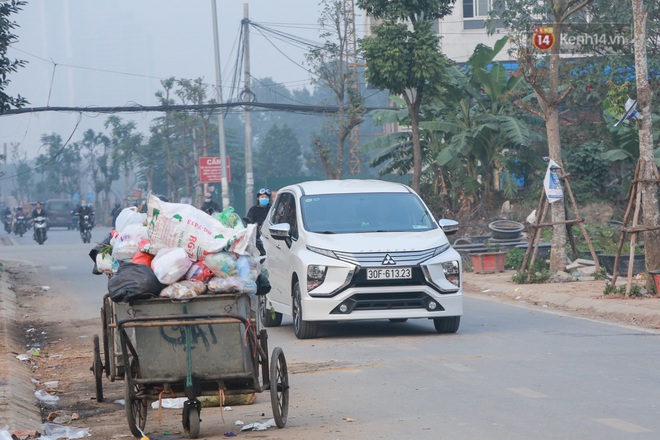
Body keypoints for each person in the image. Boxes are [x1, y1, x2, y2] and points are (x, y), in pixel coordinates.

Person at [246, 188, 272, 255]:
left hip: (271, 236)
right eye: (262, 197)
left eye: (266, 197)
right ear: (258, 198)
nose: (264, 198)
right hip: (257, 237)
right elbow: (249, 221)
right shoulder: (253, 210)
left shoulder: (272, 209)